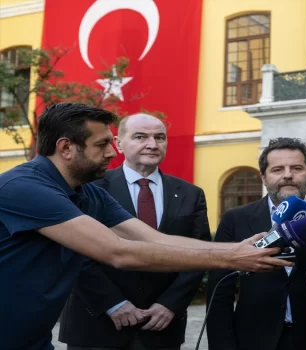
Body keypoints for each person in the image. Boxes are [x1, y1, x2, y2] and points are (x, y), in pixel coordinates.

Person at [0, 103, 291, 350]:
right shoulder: (24, 187)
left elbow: (156, 239)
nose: (112, 153)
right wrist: (229, 259)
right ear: (65, 148)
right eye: (102, 144)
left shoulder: (89, 194)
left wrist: (239, 248)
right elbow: (118, 252)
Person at [58, 114, 211, 349]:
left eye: (159, 137)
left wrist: (170, 304)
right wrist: (112, 303)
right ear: (118, 144)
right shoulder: (86, 189)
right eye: (141, 137)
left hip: (161, 327)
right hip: (96, 325)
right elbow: (73, 251)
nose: (152, 144)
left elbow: (198, 257)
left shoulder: (191, 194)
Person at [206, 137, 306, 350]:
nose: (288, 175)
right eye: (278, 169)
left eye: (297, 168)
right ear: (263, 177)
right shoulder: (235, 218)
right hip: (254, 339)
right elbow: (219, 292)